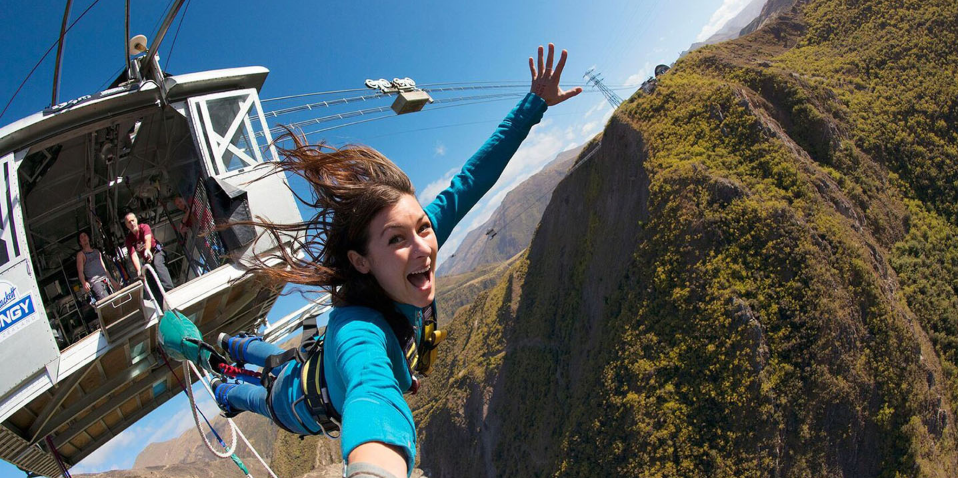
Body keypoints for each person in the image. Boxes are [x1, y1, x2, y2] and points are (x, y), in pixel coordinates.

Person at [211, 44, 581, 478]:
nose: (423, 246)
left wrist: (533, 104)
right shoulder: (359, 331)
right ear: (361, 261)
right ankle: (224, 385)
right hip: (299, 406)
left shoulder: (416, 242)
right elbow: (371, 389)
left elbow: (473, 177)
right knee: (261, 393)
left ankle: (229, 345)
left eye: (423, 228)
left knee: (279, 360)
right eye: (396, 240)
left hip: (312, 365)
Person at [123, 211, 174, 301]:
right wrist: (139, 270)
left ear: (136, 220)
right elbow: (133, 255)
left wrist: (147, 249)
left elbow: (148, 239)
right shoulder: (129, 239)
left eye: (132, 220)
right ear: (127, 225)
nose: (131, 223)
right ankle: (160, 300)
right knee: (147, 276)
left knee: (157, 263)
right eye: (129, 222)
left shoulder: (144, 227)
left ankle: (170, 290)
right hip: (148, 260)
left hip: (156, 252)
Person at [76, 231, 119, 301]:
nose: (84, 238)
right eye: (81, 237)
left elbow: (104, 268)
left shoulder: (97, 252)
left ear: (88, 238)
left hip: (106, 280)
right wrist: (84, 282)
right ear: (80, 242)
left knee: (116, 300)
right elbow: (80, 271)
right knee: (106, 302)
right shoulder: (81, 254)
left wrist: (112, 280)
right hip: (96, 283)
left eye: (85, 235)